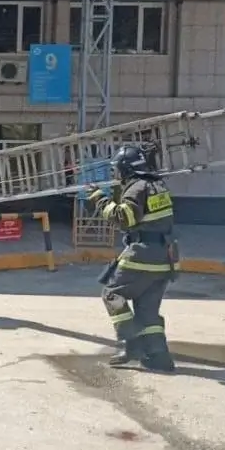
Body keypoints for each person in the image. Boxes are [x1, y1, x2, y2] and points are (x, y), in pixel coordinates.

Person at [82, 144, 179, 373]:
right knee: (147, 310)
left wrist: (99, 198)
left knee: (112, 293)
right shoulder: (158, 186)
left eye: (117, 169)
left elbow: (123, 218)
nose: (116, 174)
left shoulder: (136, 187)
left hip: (142, 254)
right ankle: (159, 357)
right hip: (165, 257)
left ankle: (130, 342)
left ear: (126, 169)